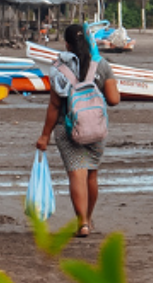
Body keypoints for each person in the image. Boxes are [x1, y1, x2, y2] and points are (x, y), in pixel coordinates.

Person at [34, 23, 122, 237]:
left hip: (68, 128)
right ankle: (89, 219)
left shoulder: (59, 68)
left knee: (76, 175)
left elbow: (55, 106)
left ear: (66, 44)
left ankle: (81, 222)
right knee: (91, 175)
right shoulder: (101, 64)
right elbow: (113, 100)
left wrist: (45, 135)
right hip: (96, 128)